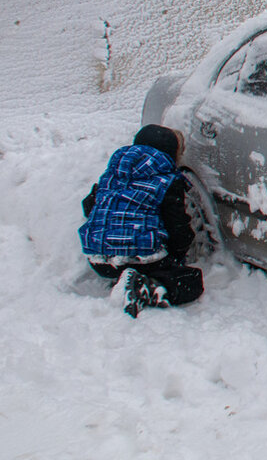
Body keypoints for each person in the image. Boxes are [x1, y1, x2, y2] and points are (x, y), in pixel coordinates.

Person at [79, 124, 204, 317]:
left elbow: (89, 206)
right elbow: (177, 226)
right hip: (142, 260)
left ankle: (122, 277)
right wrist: (178, 255)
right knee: (191, 281)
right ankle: (146, 286)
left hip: (99, 261)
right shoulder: (167, 180)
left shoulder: (113, 174)